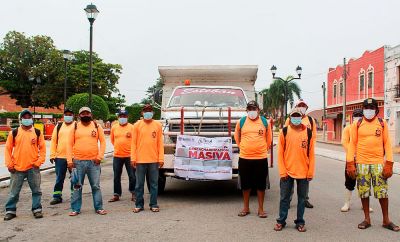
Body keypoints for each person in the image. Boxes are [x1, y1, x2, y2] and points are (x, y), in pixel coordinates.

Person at [347, 98, 399, 231]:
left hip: (378, 163)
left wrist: (389, 163)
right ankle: (366, 219)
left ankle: (386, 220)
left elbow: (387, 143)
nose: (368, 110)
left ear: (376, 109)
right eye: (366, 107)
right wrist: (350, 163)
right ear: (363, 108)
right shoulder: (357, 124)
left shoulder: (382, 123)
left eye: (371, 107)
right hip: (362, 163)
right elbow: (352, 143)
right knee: (363, 192)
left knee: (382, 192)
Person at [274, 108, 315, 232]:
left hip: (303, 172)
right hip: (287, 172)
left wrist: (310, 171)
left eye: (298, 116)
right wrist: (282, 171)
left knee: (302, 199)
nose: (296, 118)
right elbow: (280, 153)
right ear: (290, 117)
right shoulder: (285, 131)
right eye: (294, 116)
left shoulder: (308, 132)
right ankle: (281, 221)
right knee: (284, 198)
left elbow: (312, 154)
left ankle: (300, 222)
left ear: (301, 117)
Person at [4, 110, 46, 220]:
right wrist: (9, 164)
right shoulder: (14, 132)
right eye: (25, 117)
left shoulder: (37, 132)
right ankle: (10, 210)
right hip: (17, 168)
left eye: (29, 117)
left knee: (36, 191)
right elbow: (8, 150)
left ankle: (37, 209)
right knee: (14, 192)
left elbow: (42, 150)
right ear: (21, 119)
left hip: (33, 168)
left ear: (32, 119)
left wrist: (38, 162)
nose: (27, 119)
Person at [234, 101, 272, 218]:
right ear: (247, 110)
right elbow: (237, 135)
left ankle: (261, 209)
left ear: (258, 110)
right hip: (245, 158)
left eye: (254, 108)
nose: (252, 111)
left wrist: (263, 149)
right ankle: (246, 208)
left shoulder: (265, 122)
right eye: (249, 109)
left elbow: (269, 138)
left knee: (261, 185)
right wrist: (242, 147)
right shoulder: (241, 121)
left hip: (260, 158)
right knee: (246, 185)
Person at [67, 107, 107, 216]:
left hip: (94, 162)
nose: (85, 115)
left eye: (87, 113)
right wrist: (69, 160)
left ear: (91, 114)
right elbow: (69, 144)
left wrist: (100, 157)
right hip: (77, 162)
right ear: (79, 116)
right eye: (83, 113)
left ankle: (99, 207)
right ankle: (75, 209)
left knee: (96, 186)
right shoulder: (74, 127)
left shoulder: (96, 126)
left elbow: (103, 142)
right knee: (77, 186)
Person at [131, 104, 164, 213]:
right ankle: (139, 205)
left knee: (154, 184)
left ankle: (153, 204)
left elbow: (160, 143)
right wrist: (133, 158)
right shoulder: (137, 125)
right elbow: (133, 143)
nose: (148, 112)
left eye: (150, 110)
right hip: (140, 160)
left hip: (154, 160)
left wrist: (161, 158)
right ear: (142, 113)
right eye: (146, 111)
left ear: (153, 113)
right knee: (139, 184)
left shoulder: (158, 125)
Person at [285, 99, 316, 209]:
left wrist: (310, 150)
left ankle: (305, 199)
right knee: (289, 179)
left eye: (304, 106)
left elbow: (314, 137)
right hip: (291, 153)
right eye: (300, 105)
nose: (302, 107)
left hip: (305, 152)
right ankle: (287, 200)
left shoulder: (311, 120)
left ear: (306, 108)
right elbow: (285, 134)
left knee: (304, 180)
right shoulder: (290, 119)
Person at [341, 109, 373, 212]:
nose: (358, 117)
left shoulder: (366, 128)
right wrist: (353, 153)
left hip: (364, 158)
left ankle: (364, 205)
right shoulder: (348, 128)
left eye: (360, 115)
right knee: (349, 181)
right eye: (356, 115)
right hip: (351, 159)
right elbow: (344, 142)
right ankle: (347, 203)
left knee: (364, 182)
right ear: (352, 117)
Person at [108, 109, 136, 202]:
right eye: (121, 116)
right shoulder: (114, 127)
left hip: (130, 156)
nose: (122, 118)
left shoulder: (132, 127)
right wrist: (118, 147)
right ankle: (116, 194)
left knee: (132, 176)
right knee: (116, 176)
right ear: (118, 117)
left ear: (127, 117)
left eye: (124, 116)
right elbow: (112, 140)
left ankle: (133, 193)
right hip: (117, 156)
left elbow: (135, 141)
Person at [49, 108, 76, 205]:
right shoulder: (59, 126)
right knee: (59, 178)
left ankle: (74, 195)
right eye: (66, 114)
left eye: (70, 114)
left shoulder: (76, 126)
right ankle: (57, 196)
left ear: (73, 116)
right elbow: (53, 141)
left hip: (73, 157)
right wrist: (52, 155)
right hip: (60, 157)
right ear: (63, 116)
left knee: (74, 178)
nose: (68, 116)